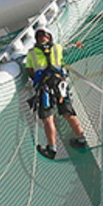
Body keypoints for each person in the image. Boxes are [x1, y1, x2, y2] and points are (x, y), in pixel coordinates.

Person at [23, 28, 89, 160]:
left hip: (44, 87)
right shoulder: (57, 48)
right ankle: (81, 139)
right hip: (60, 85)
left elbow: (30, 71)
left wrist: (37, 80)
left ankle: (52, 149)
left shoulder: (31, 53)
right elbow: (65, 55)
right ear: (50, 37)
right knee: (68, 113)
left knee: (48, 118)